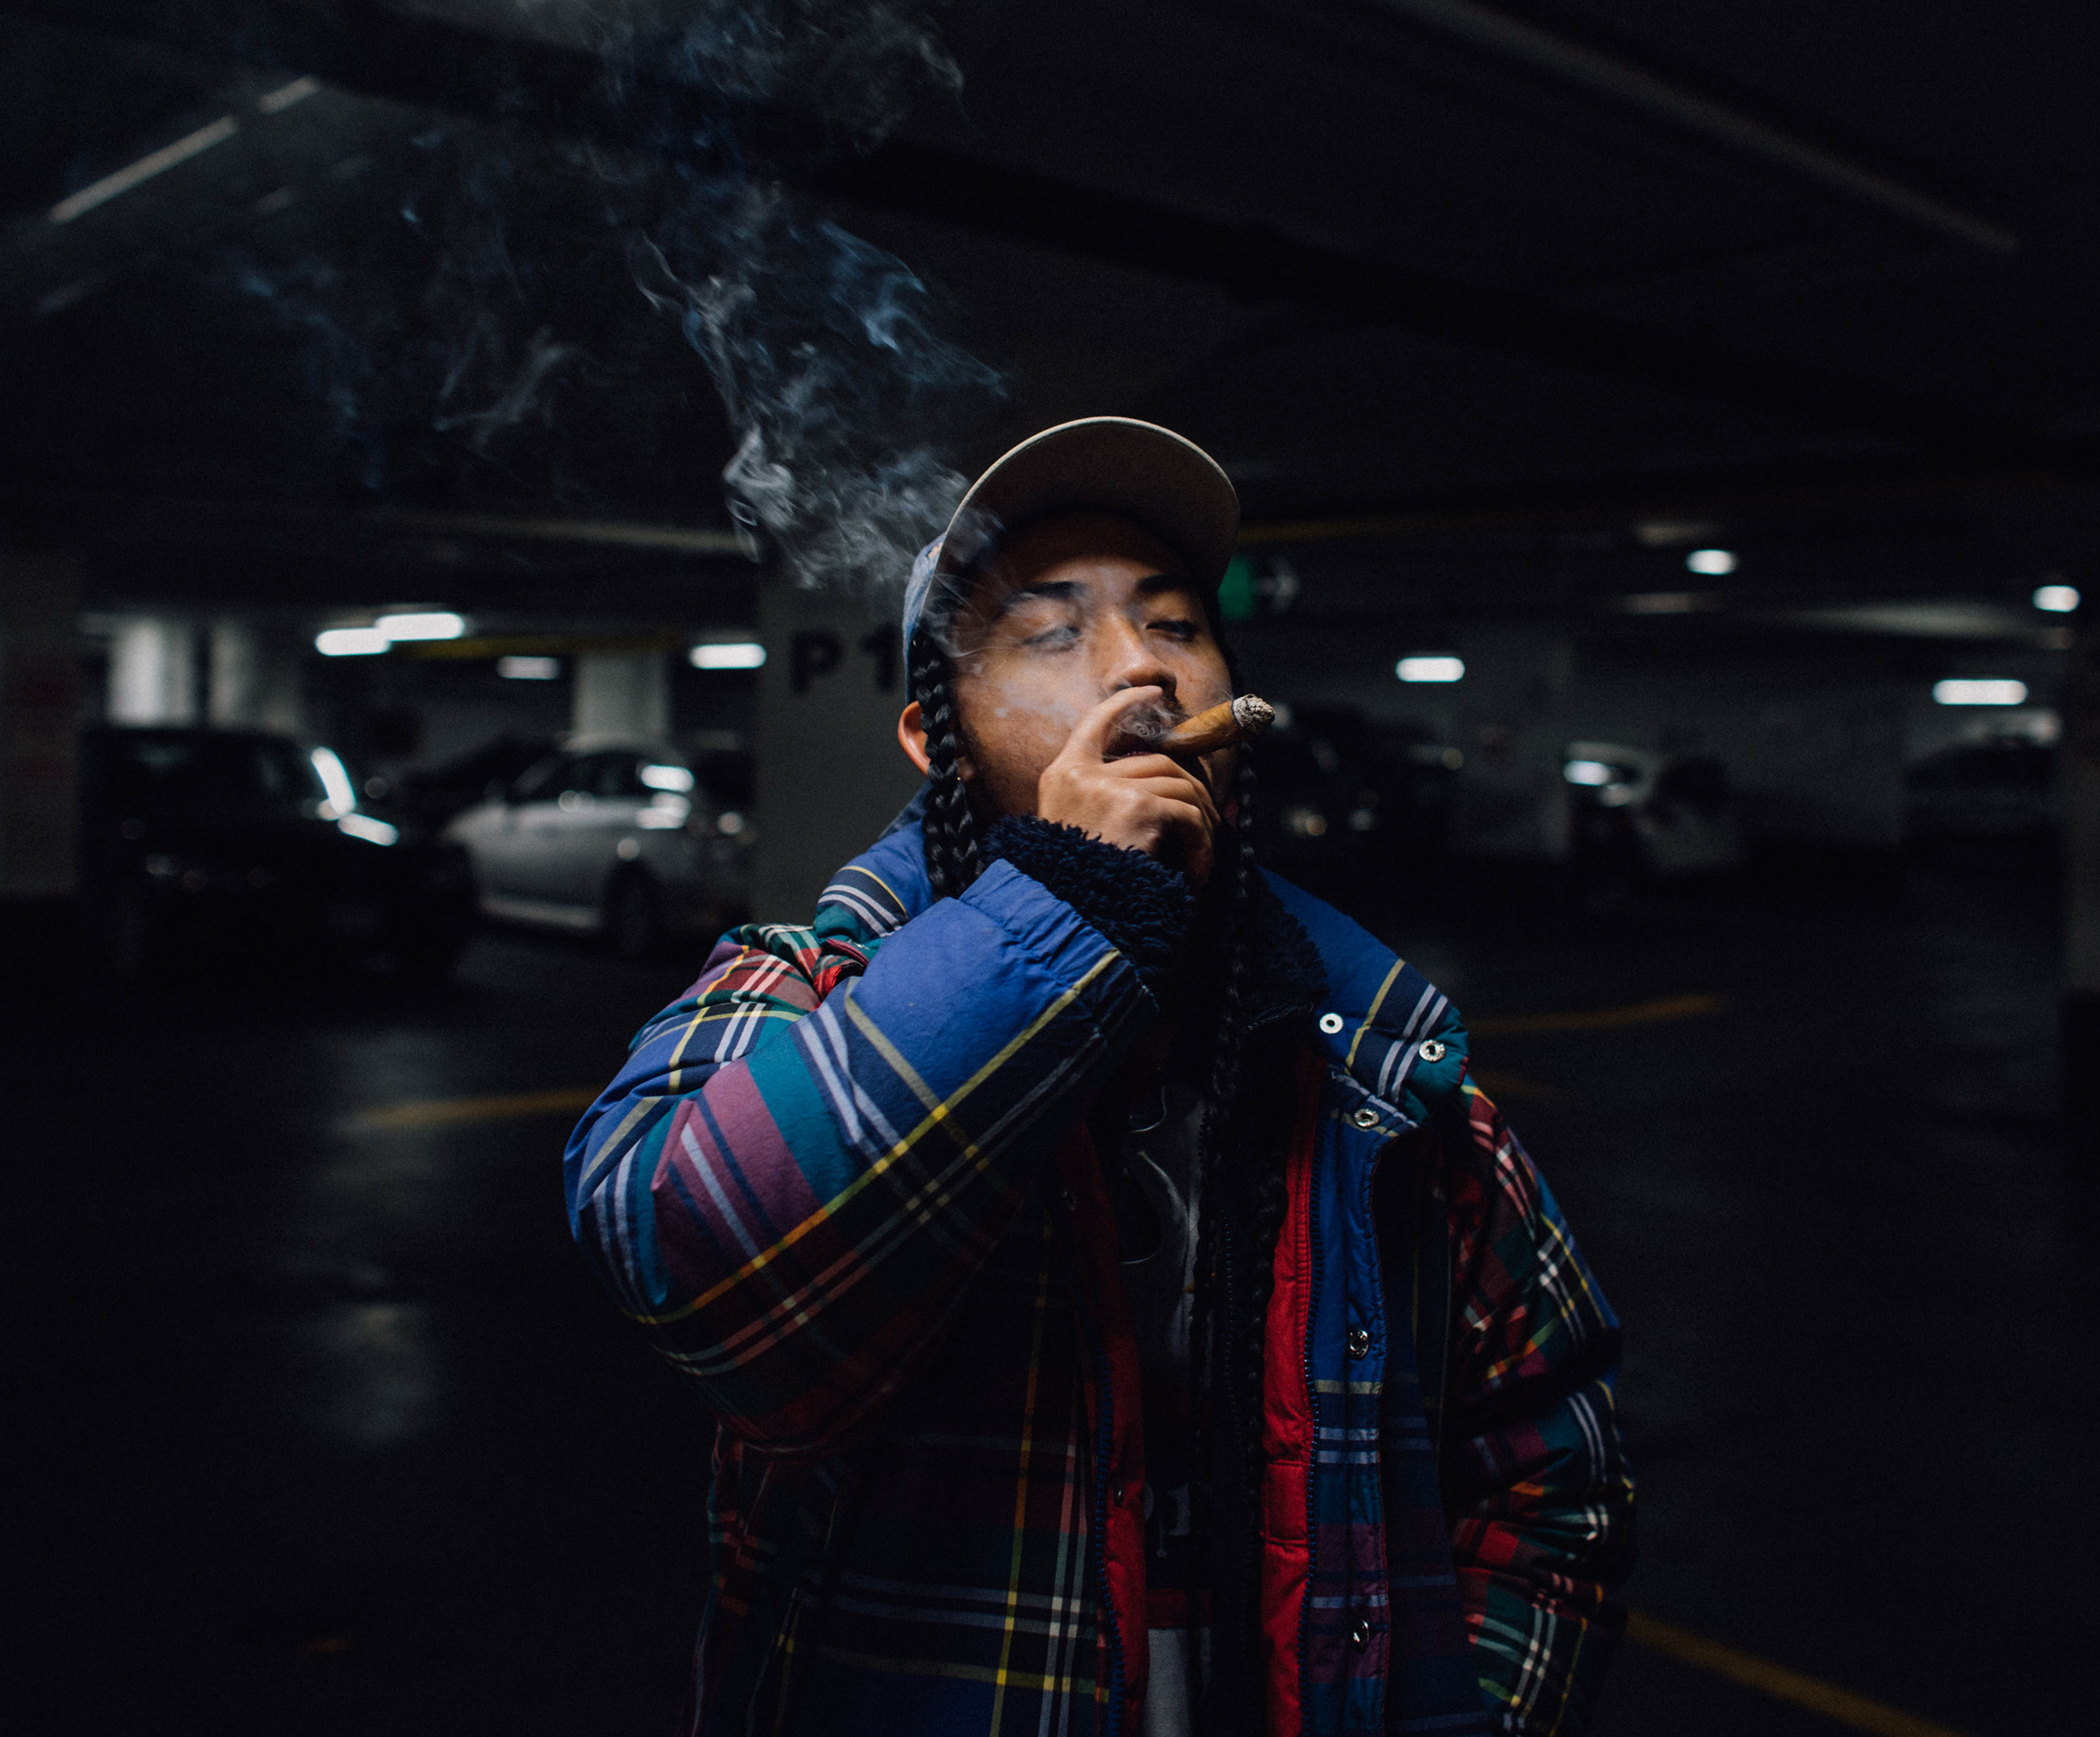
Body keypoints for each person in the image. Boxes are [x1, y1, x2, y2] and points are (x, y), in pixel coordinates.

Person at [563, 418, 1635, 1735]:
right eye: (1053, 633)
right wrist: (1065, 905)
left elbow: (1555, 1476)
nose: (1141, 668)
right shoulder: (805, 989)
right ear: (936, 740)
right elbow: (689, 1263)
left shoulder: (1376, 1060)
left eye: (1177, 625)